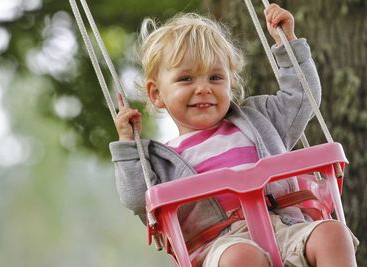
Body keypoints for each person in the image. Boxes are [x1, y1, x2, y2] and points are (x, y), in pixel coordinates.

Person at [110, 3, 358, 267]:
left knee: (333, 233)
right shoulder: (161, 162)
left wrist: (288, 46)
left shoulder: (261, 120)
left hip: (287, 225)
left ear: (231, 83)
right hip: (220, 243)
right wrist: (128, 147)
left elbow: (302, 99)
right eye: (186, 79)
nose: (203, 88)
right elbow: (138, 198)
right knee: (241, 258)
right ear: (156, 94)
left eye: (215, 77)